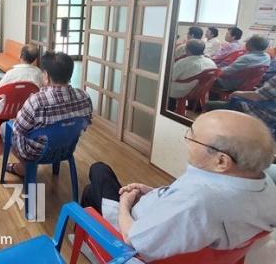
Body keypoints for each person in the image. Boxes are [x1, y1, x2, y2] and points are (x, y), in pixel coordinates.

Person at [80, 110, 276, 262]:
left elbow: (133, 238)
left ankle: (91, 243)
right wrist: (156, 193)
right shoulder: (265, 182)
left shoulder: (197, 202)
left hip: (128, 239)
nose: (186, 141)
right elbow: (188, 200)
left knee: (98, 171)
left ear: (221, 161)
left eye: (191, 137)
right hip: (167, 225)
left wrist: (125, 204)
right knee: (92, 189)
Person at [3, 51, 92, 177]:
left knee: (5, 128)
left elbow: (18, 129)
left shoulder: (36, 100)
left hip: (36, 152)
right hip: (66, 148)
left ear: (45, 76)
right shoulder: (84, 97)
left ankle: (24, 166)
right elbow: (84, 126)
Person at [206, 75, 276, 133]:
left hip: (259, 116)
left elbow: (257, 96)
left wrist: (237, 93)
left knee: (208, 105)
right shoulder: (265, 59)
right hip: (271, 124)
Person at [0, 43, 43, 114]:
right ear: (35, 59)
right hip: (27, 108)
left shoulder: (12, 72)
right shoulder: (38, 72)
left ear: (21, 55)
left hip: (6, 109)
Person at [168, 39, 216, 110]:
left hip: (182, 91)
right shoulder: (211, 62)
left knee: (164, 84)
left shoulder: (182, 63)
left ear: (187, 50)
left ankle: (169, 109)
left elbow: (171, 77)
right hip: (200, 90)